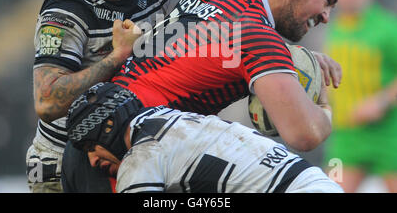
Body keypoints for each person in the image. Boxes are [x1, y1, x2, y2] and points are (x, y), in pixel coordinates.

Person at [61, 0, 361, 192]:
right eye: (327, 1)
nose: (326, 16)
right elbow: (304, 134)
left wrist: (293, 55)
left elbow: (212, 46)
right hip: (128, 148)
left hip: (93, 139)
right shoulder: (256, 34)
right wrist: (323, 106)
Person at [26, 0, 258, 193]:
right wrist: (117, 56)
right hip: (64, 161)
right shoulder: (66, 12)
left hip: (125, 150)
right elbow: (47, 103)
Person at [65, 82, 344, 193]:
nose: (90, 160)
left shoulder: (141, 159)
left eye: (91, 146)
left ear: (109, 125)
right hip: (315, 182)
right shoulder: (174, 119)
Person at [322, 0, 397, 192]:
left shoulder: (387, 28)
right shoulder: (333, 27)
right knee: (329, 188)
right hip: (345, 137)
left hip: (387, 134)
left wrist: (381, 101)